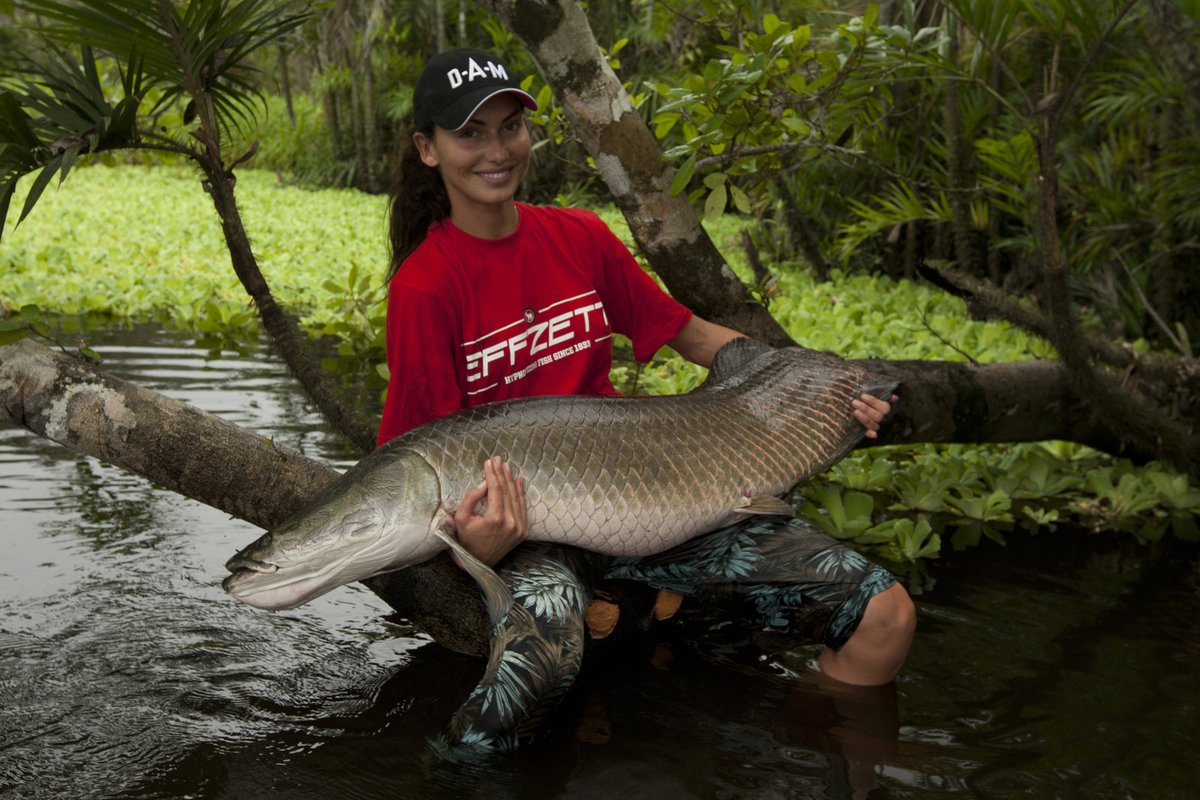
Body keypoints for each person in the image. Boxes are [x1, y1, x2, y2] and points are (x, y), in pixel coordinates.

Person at [379, 48, 916, 753]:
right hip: (527, 532)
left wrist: (820, 384)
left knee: (886, 614)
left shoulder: (580, 236)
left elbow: (690, 333)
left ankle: (807, 743)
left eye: (509, 127)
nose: (497, 150)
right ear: (428, 148)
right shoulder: (425, 287)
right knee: (534, 677)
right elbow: (417, 462)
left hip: (651, 491)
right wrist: (471, 542)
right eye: (470, 133)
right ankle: (438, 777)